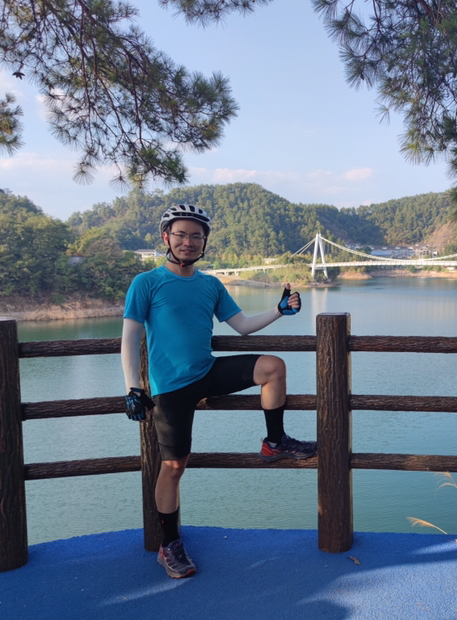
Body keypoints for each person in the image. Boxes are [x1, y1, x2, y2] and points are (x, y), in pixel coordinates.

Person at [121, 203, 316, 579]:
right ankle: (169, 544)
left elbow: (241, 325)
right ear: (166, 238)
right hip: (170, 387)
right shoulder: (146, 282)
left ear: (204, 242)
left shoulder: (210, 284)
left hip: (207, 371)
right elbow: (130, 336)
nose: (188, 241)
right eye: (181, 234)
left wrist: (278, 311)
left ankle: (274, 442)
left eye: (196, 236)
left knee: (273, 367)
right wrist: (132, 387)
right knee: (173, 467)